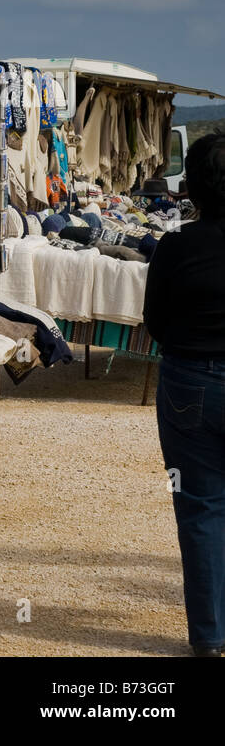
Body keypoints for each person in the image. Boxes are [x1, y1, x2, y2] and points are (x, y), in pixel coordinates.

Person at [144, 130, 225, 657]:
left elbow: (154, 323)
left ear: (190, 188)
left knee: (200, 508)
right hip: (192, 375)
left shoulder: (175, 247)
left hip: (190, 382)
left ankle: (211, 637)